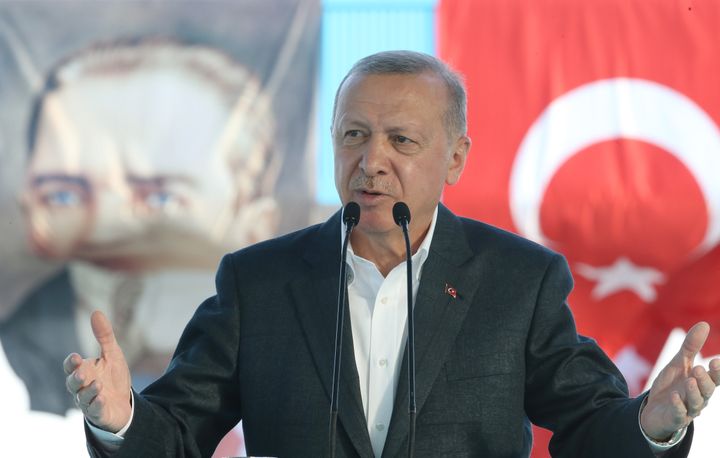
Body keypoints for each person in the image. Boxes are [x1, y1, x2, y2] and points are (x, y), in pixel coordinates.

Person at [65, 50, 719, 457]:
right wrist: (121, 420)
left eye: (402, 141)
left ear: (455, 156)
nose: (371, 162)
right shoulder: (258, 282)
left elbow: (587, 428)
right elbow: (177, 435)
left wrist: (651, 424)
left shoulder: (519, 281)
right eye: (354, 135)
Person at [2, 39, 278, 419]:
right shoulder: (17, 350)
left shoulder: (288, 362)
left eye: (161, 197)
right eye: (65, 194)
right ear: (30, 204)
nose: (108, 222)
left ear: (254, 226)